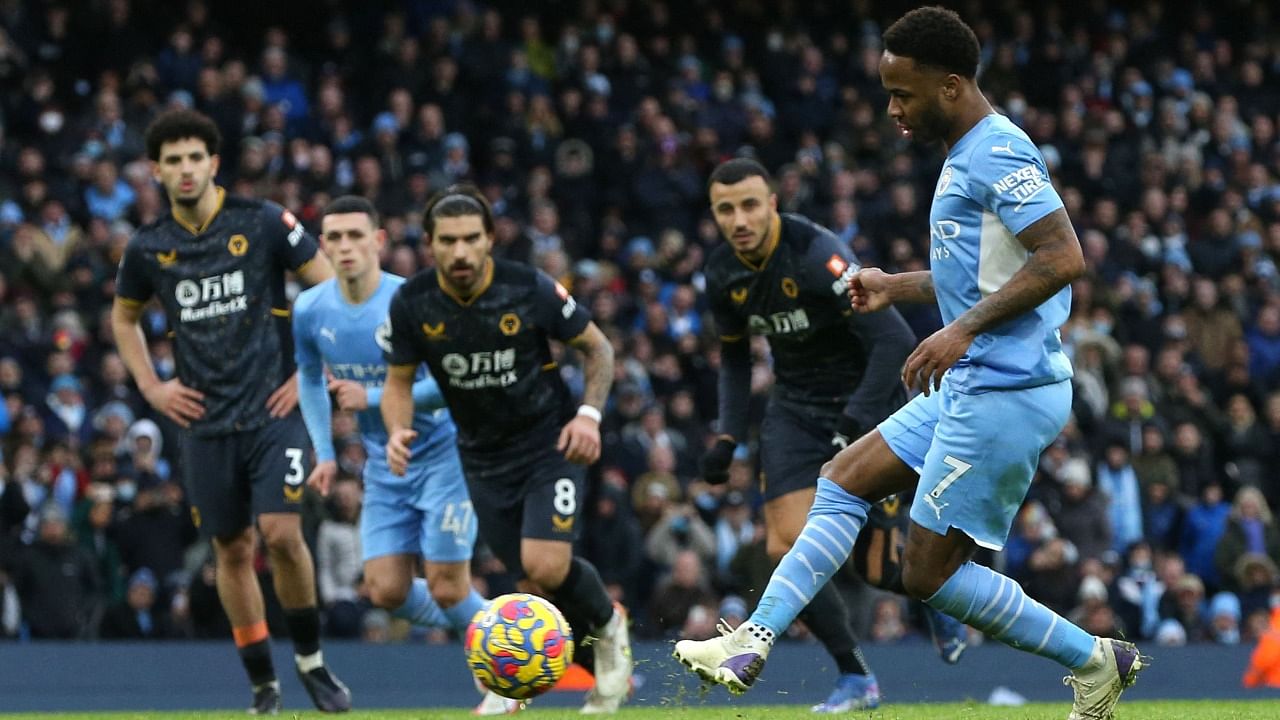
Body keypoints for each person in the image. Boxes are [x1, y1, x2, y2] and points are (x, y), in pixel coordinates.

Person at [673, 9, 1145, 719]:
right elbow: (987, 272)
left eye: (904, 93)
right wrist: (899, 285)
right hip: (975, 382)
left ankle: (1093, 660)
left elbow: (1063, 256)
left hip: (1006, 391)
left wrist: (960, 331)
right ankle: (753, 640)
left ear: (951, 86)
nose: (893, 109)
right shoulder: (964, 153)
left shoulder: (997, 153)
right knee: (842, 479)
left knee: (927, 575)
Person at [695, 157, 967, 712]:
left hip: (865, 400)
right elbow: (733, 357)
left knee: (880, 569)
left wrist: (853, 424)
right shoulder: (722, 273)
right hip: (794, 410)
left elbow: (891, 341)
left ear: (772, 203)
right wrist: (727, 435)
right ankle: (854, 676)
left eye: (750, 204)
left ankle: (938, 596)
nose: (739, 219)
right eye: (725, 209)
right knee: (785, 544)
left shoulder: (817, 255)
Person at [111, 109, 349, 714]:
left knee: (282, 535)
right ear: (156, 171)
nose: (185, 169)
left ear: (213, 164)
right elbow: (124, 316)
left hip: (274, 409)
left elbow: (326, 288)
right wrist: (153, 387)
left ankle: (313, 662)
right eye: (173, 161)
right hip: (203, 421)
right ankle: (264, 683)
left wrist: (310, 373)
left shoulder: (262, 221)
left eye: (195, 158)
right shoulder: (149, 247)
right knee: (232, 552)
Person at [381, 185, 632, 713]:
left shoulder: (528, 287)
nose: (461, 252)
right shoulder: (412, 303)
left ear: (490, 239)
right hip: (480, 456)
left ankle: (610, 628)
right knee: (524, 578)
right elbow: (398, 382)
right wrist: (398, 429)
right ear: (429, 244)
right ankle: (523, 679)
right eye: (448, 241)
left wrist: (589, 416)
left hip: (551, 442)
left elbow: (598, 348)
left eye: (472, 239)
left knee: (545, 564)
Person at [293, 196, 517, 715]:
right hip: (383, 461)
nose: (345, 247)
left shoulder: (414, 300)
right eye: (335, 238)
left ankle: (507, 667)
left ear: (378, 241)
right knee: (386, 590)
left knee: (444, 585)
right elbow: (308, 377)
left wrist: (369, 399)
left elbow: (450, 381)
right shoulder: (310, 309)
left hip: (445, 455)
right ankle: (505, 625)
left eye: (356, 236)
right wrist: (324, 452)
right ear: (323, 246)